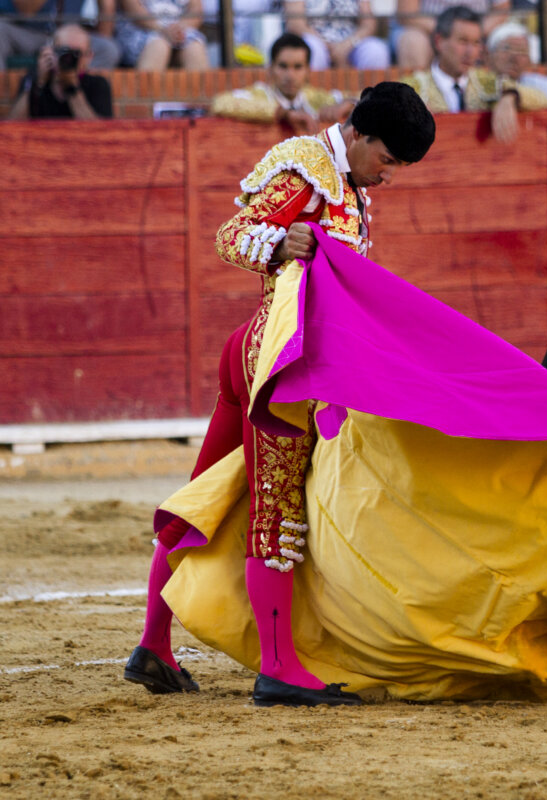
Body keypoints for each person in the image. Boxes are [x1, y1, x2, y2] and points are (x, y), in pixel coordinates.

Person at [124, 81, 437, 708]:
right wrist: (279, 242)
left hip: (265, 353)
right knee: (277, 514)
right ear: (361, 135)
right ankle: (279, 668)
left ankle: (153, 647)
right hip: (281, 371)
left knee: (204, 499)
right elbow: (231, 234)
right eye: (389, 161)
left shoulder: (345, 183)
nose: (391, 176)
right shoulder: (308, 167)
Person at [401, 6, 547, 143]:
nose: (470, 52)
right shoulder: (413, 87)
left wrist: (511, 97)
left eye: (476, 43)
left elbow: (543, 98)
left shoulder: (486, 82)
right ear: (439, 41)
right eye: (463, 41)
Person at [211, 33, 353, 132]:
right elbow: (219, 103)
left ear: (308, 70)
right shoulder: (260, 93)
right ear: (271, 68)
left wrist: (349, 105)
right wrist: (283, 113)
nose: (290, 75)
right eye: (283, 66)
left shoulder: (314, 97)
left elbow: (363, 97)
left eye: (298, 67)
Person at [0, 0, 120, 71]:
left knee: (108, 49)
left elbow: (105, 25)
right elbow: (27, 10)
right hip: (22, 30)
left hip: (64, 34)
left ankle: (71, 92)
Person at [7, 25, 113, 119]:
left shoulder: (98, 85)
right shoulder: (35, 79)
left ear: (89, 57)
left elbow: (98, 132)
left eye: (76, 53)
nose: (69, 59)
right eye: (64, 52)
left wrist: (72, 88)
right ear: (51, 51)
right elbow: (12, 124)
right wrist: (38, 83)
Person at [394, 0, 509, 70]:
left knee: (509, 40)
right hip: (429, 29)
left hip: (479, 30)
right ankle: (417, 100)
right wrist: (448, 31)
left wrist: (474, 33)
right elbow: (407, 13)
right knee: (412, 41)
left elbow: (501, 12)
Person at [282, 0, 391, 70]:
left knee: (376, 50)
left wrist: (347, 45)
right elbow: (295, 23)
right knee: (313, 49)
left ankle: (371, 102)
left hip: (351, 42)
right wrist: (329, 47)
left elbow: (368, 24)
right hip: (315, 39)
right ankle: (315, 99)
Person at [116, 0, 209, 70]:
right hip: (142, 29)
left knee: (194, 46)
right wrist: (162, 29)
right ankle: (146, 94)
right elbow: (133, 10)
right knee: (159, 45)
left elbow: (196, 11)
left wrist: (179, 29)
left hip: (179, 29)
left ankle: (202, 95)